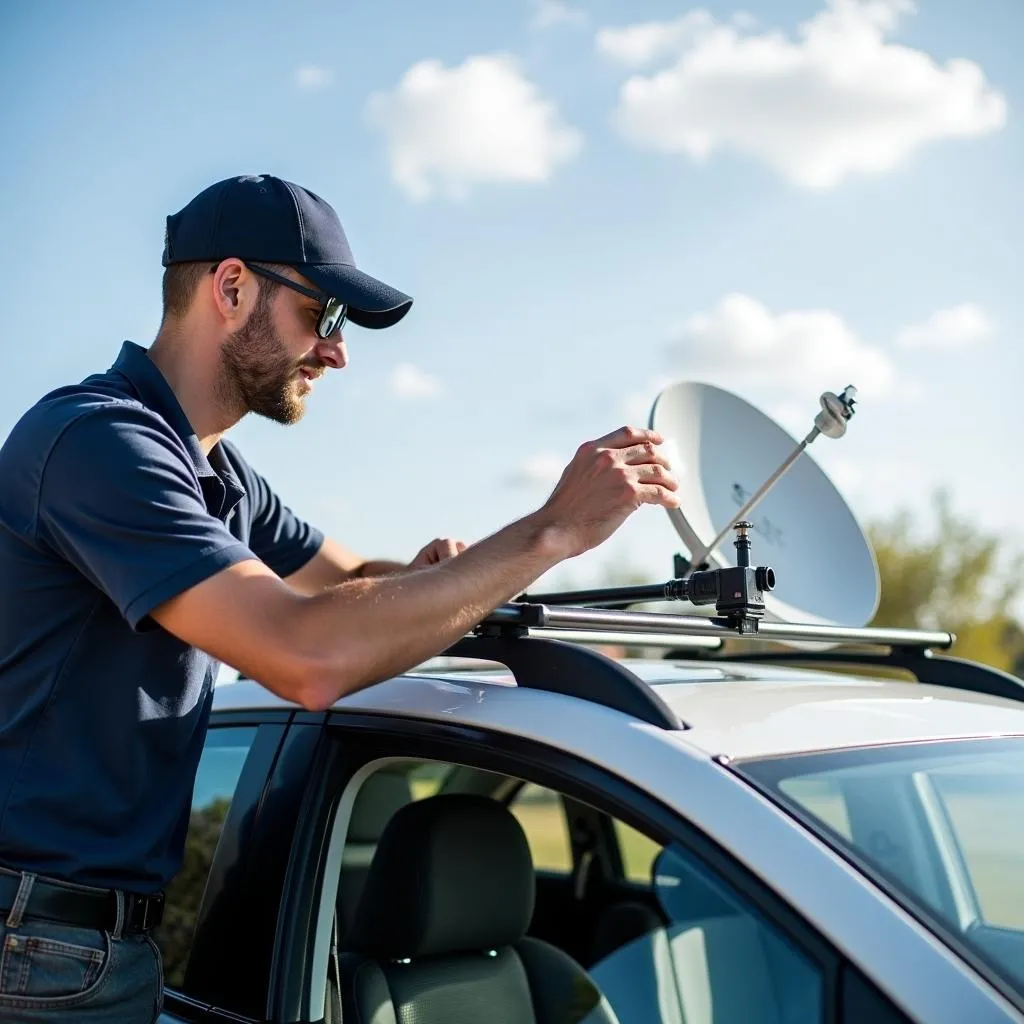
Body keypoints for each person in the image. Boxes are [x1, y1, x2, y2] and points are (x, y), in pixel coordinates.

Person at [0, 173, 679, 1022]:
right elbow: (305, 653)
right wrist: (548, 532)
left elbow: (352, 582)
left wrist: (438, 577)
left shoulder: (215, 471)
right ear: (232, 287)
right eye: (322, 315)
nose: (338, 351)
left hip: (85, 946)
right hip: (35, 950)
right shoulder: (98, 444)